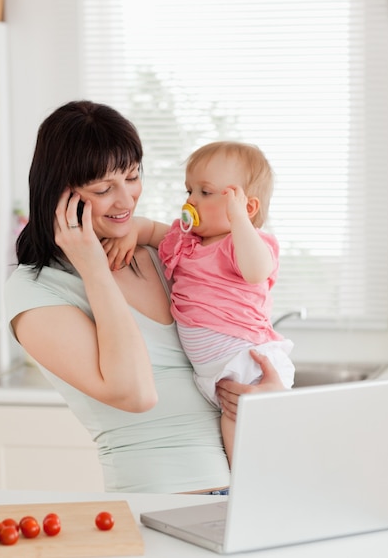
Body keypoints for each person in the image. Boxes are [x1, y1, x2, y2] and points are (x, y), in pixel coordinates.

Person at [5, 101, 285, 494]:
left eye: (133, 178)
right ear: (61, 194)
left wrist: (271, 398)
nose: (126, 201)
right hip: (161, 505)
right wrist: (94, 270)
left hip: (249, 498)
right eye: (104, 189)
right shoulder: (36, 290)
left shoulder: (169, 254)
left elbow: (239, 333)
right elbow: (135, 393)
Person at [104, 141, 295, 464]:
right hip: (215, 374)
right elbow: (152, 231)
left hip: (245, 359)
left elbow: (257, 271)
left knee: (255, 438)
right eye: (189, 191)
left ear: (246, 208)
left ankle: (254, 480)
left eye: (205, 192)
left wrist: (240, 224)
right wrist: (132, 228)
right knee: (231, 425)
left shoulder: (243, 244)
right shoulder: (187, 242)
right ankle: (245, 483)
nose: (191, 200)